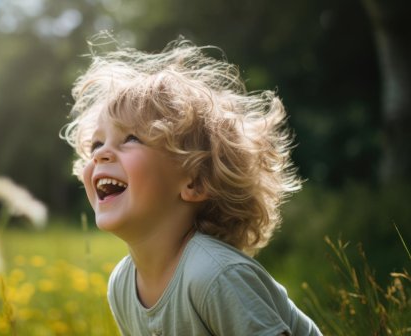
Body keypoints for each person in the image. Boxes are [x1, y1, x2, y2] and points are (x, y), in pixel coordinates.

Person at [62, 37, 322, 335]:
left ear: (195, 182)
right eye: (96, 143)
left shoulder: (214, 275)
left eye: (132, 138)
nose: (100, 153)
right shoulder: (122, 284)